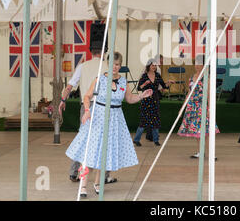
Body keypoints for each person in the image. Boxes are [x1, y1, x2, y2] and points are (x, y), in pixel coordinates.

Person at [66, 52, 152, 198]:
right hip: (98, 117)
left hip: (115, 119)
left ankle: (98, 183)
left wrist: (141, 96)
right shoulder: (99, 79)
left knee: (104, 153)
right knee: (90, 153)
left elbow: (129, 98)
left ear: (120, 65)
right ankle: (83, 185)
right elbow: (87, 96)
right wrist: (87, 111)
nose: (115, 67)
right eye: (112, 64)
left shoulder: (124, 82)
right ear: (107, 64)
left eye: (118, 64)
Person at [59, 47, 114, 183]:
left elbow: (70, 86)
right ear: (104, 53)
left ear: (91, 52)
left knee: (84, 139)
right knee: (104, 141)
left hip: (87, 106)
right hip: (104, 107)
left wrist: (63, 100)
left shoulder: (83, 66)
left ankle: (73, 172)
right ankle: (104, 176)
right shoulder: (108, 66)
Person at [177, 54, 220, 159]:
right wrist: (182, 107)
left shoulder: (207, 78)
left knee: (207, 131)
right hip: (192, 107)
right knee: (197, 131)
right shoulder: (191, 78)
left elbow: (209, 94)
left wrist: (209, 108)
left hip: (203, 106)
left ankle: (211, 154)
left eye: (199, 63)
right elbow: (189, 93)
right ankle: (200, 152)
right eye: (196, 63)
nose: (197, 65)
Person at [134, 58, 173, 147]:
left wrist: (169, 83)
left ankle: (156, 140)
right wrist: (145, 84)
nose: (154, 67)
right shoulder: (144, 76)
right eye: (152, 65)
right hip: (146, 100)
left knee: (155, 120)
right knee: (143, 121)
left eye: (155, 65)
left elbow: (163, 86)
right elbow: (139, 88)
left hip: (155, 100)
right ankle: (136, 139)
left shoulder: (158, 75)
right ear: (148, 66)